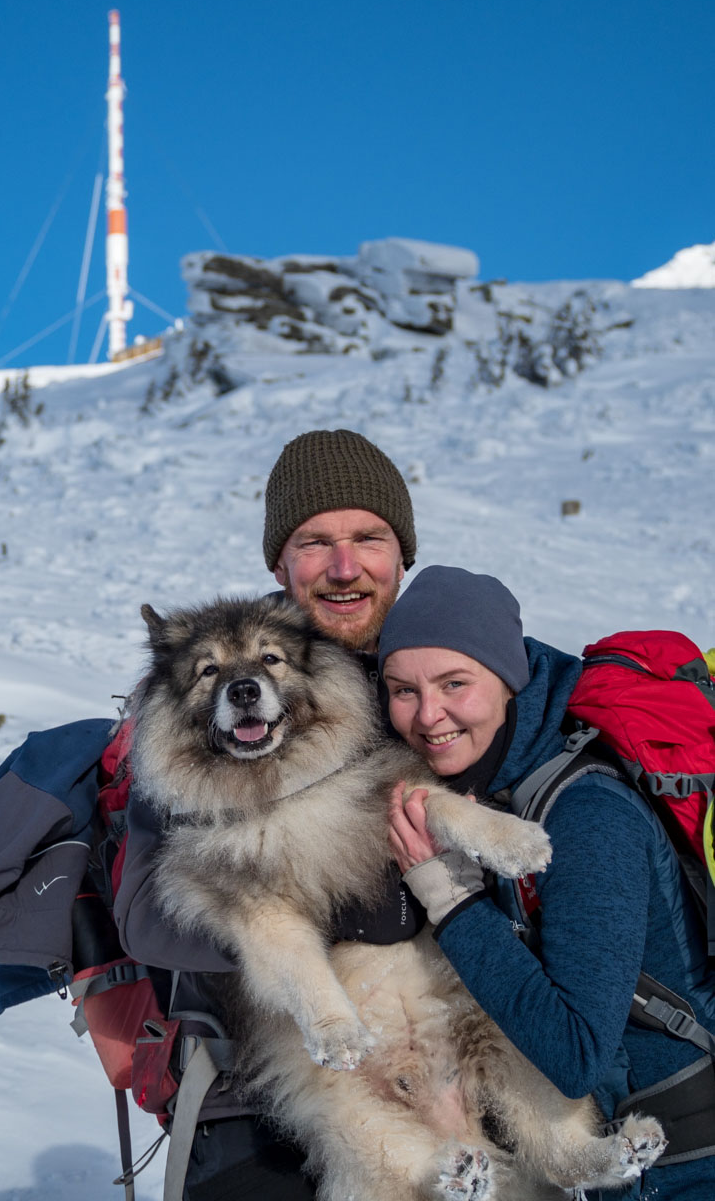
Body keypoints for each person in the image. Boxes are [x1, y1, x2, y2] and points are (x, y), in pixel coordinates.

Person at [114, 428, 424, 1201]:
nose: (345, 566)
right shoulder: (211, 686)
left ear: (401, 553)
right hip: (255, 1085)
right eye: (315, 542)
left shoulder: (443, 672)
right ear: (278, 565)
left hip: (446, 1038)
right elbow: (146, 922)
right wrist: (325, 908)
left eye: (369, 538)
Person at [381, 564, 715, 1201]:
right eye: (403, 690)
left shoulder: (587, 814)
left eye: (456, 683)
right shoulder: (498, 786)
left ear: (509, 681)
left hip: (686, 1168)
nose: (428, 716)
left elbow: (576, 1053)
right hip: (627, 1166)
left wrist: (451, 900)